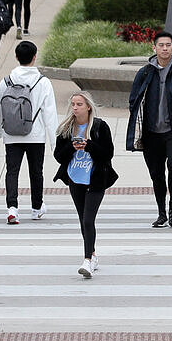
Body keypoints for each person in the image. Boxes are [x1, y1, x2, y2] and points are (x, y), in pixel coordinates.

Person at [127, 31, 172, 228]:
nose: (165, 48)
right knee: (156, 173)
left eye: (168, 45)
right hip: (150, 133)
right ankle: (161, 212)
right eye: (161, 45)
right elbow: (133, 99)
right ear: (154, 48)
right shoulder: (144, 72)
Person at [53, 91, 118, 278]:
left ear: (88, 106)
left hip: (95, 180)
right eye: (73, 104)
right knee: (83, 220)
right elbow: (58, 156)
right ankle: (93, 254)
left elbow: (107, 154)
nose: (75, 108)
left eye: (79, 104)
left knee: (88, 220)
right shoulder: (66, 128)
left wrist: (88, 145)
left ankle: (87, 260)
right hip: (75, 179)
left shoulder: (99, 127)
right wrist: (71, 147)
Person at [0, 40, 58, 225]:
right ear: (35, 57)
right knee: (36, 171)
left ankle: (12, 208)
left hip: (11, 134)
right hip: (35, 134)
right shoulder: (43, 82)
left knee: (12, 171)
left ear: (16, 57)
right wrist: (54, 141)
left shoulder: (6, 81)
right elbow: (50, 113)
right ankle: (37, 207)